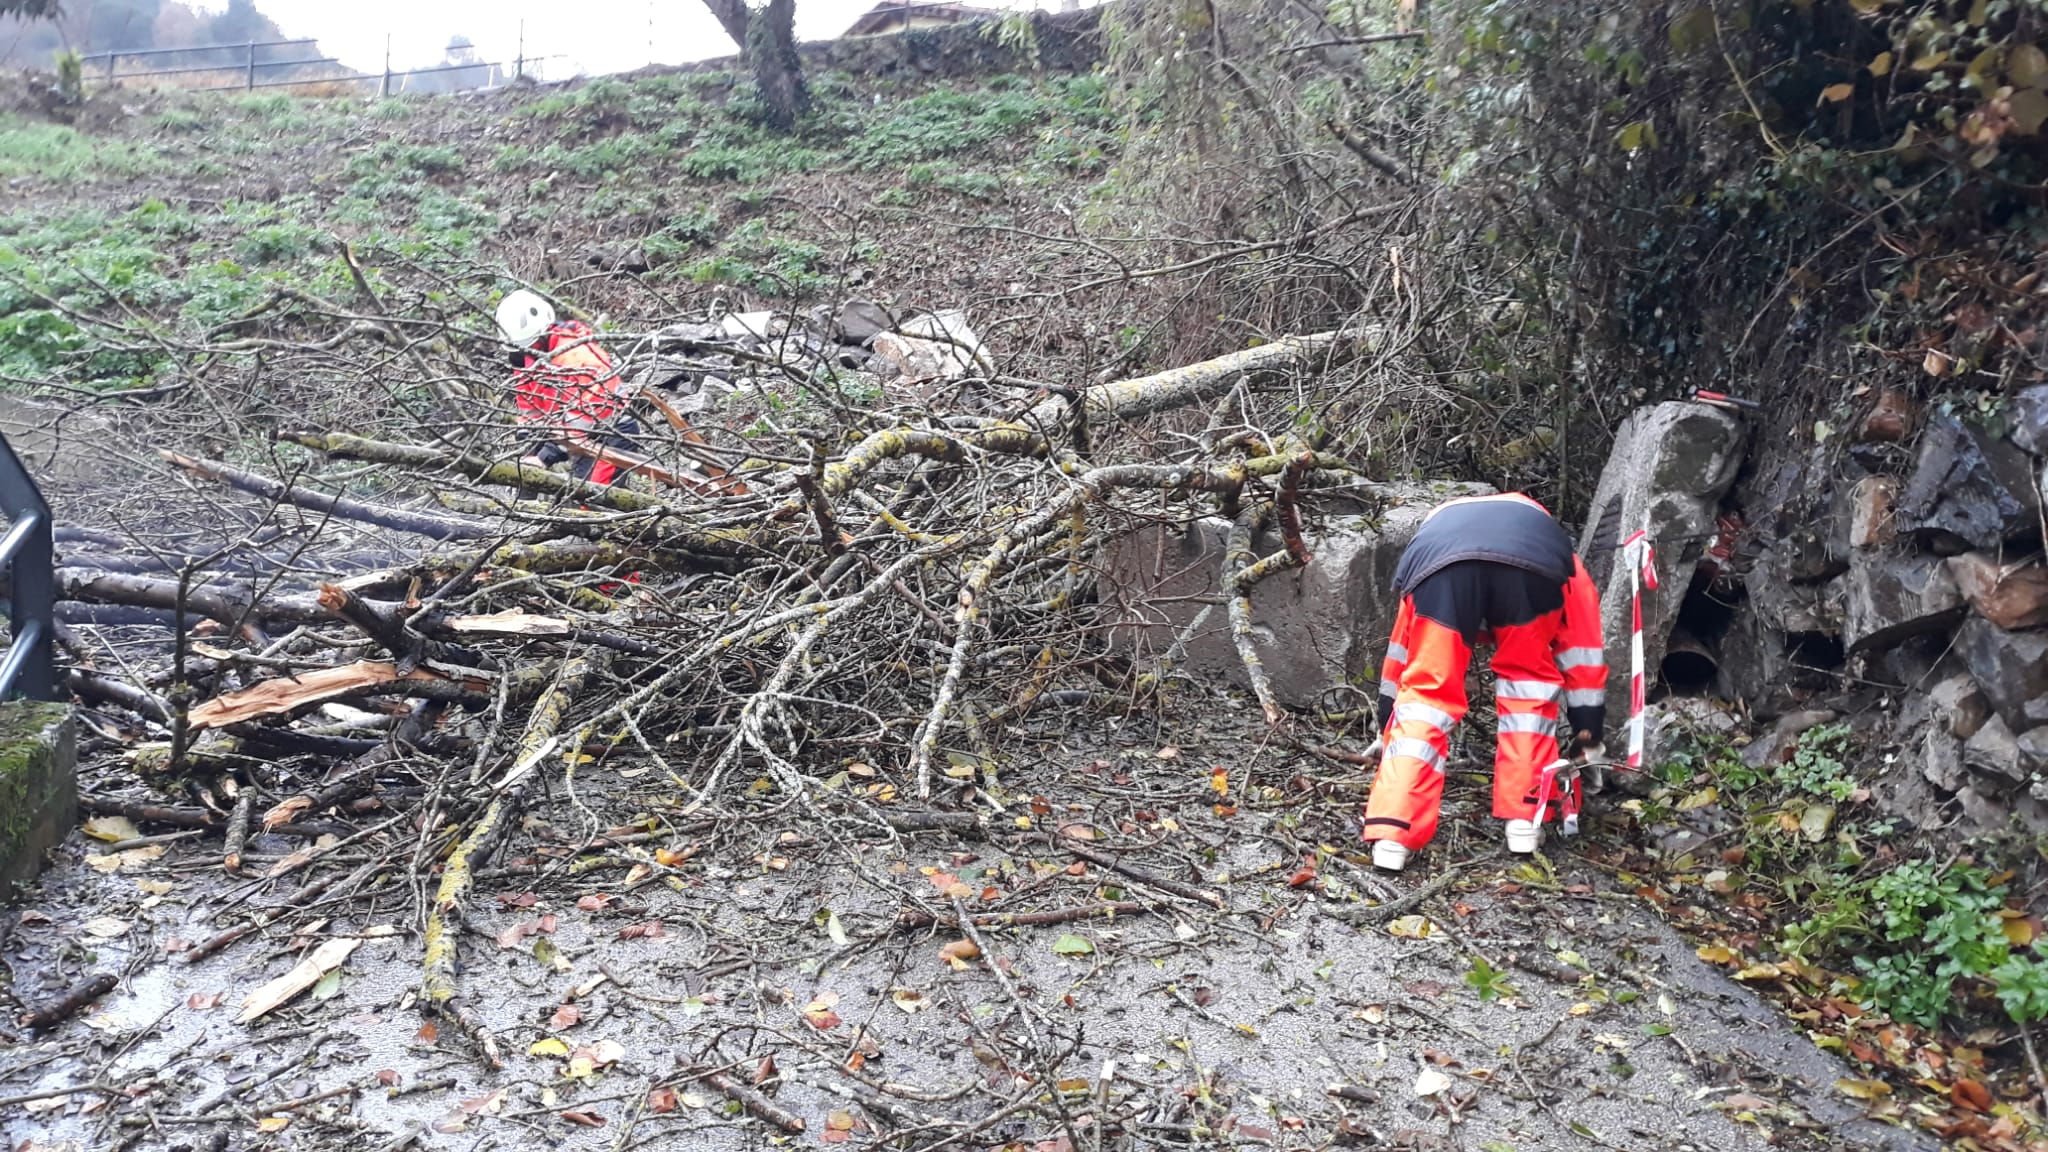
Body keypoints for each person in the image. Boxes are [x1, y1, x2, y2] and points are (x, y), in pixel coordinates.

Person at [1360, 492, 1608, 872]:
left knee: (1426, 694)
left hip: (1440, 569)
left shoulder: (1434, 536)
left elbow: (1402, 650)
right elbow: (1583, 650)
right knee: (1529, 689)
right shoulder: (1552, 544)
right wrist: (1587, 733)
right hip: (1532, 573)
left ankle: (1393, 833)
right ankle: (1524, 821)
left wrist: (1386, 720)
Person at [494, 290, 640, 487]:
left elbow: (580, 419)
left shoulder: (578, 358)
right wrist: (529, 446)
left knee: (594, 495)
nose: (527, 352)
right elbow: (530, 408)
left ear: (543, 334)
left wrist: (545, 456)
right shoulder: (527, 360)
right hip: (576, 434)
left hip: (611, 431)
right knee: (574, 491)